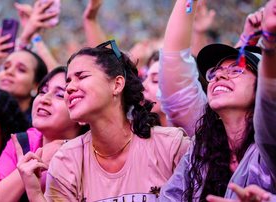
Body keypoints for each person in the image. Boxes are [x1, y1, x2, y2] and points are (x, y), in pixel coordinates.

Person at [14, 40, 190, 201]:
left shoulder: (171, 146)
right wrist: (35, 193)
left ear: (117, 84)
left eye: (81, 77)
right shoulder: (67, 160)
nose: (69, 88)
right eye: (68, 82)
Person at [158, 0, 276, 201]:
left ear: (260, 88)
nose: (219, 76)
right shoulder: (201, 150)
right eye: (215, 73)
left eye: (235, 70)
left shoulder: (270, 143)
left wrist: (270, 42)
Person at [0, 67, 88, 202]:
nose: (44, 99)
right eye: (42, 91)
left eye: (59, 94)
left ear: (82, 114)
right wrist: (33, 164)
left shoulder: (91, 153)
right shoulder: (22, 143)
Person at [0, 49, 48, 126]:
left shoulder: (37, 126)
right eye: (6, 67)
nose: (9, 72)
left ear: (37, 85)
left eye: (21, 70)